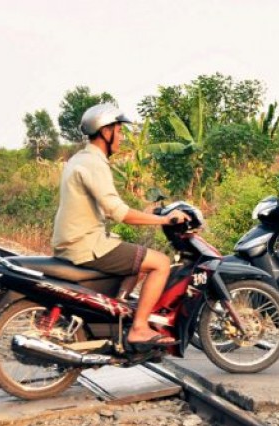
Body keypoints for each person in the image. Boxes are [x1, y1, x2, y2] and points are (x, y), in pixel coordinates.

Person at [51, 103, 190, 349]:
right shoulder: (94, 163)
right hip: (86, 245)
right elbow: (119, 213)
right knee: (160, 263)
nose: (122, 137)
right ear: (105, 132)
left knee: (135, 262)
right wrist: (165, 219)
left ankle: (117, 314)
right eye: (119, 130)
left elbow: (106, 204)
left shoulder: (80, 159)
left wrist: (149, 213)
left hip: (75, 240)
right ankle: (138, 329)